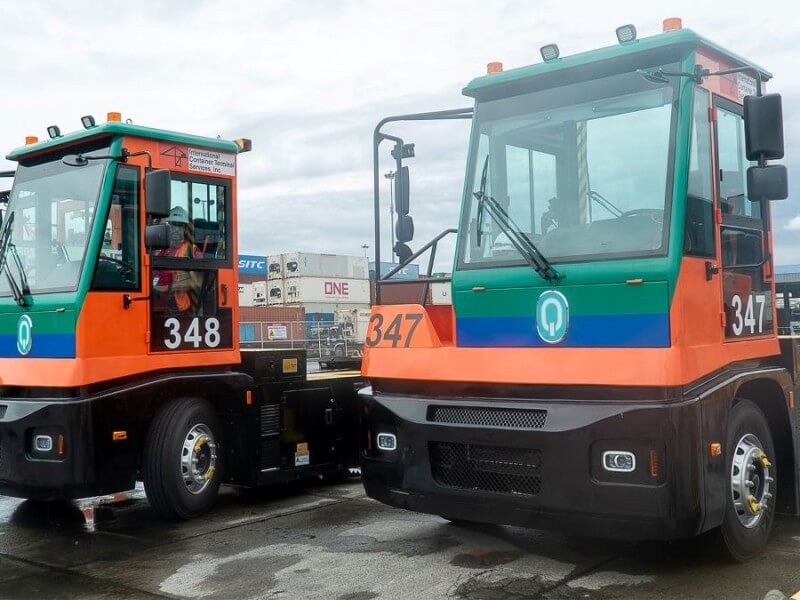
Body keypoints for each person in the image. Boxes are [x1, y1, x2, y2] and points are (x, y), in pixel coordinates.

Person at [152, 206, 201, 314]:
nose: (176, 229)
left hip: (177, 306)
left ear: (185, 228)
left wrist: (167, 288)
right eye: (173, 224)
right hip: (156, 300)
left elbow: (197, 280)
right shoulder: (160, 249)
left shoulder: (193, 251)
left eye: (180, 225)